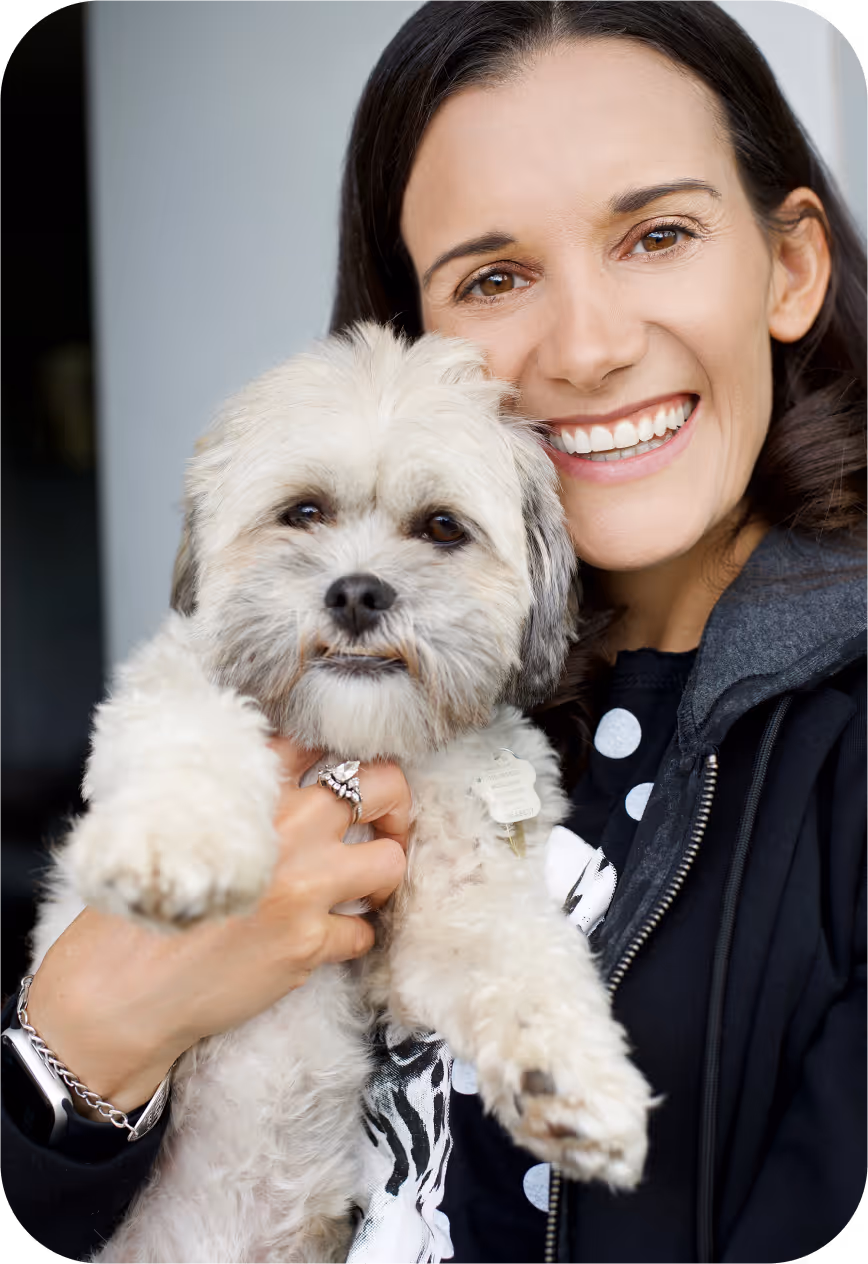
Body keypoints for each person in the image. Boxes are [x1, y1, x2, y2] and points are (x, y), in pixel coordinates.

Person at [2, 1, 868, 1260]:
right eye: (496, 275)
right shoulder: (357, 705)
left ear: (789, 267)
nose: (586, 346)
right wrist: (84, 1031)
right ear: (417, 328)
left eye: (658, 234)